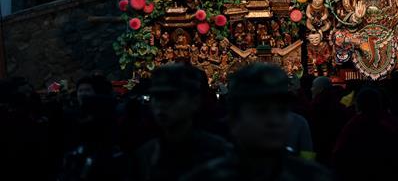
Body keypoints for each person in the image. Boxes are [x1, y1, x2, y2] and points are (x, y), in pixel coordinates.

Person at [183, 63, 331, 181]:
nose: (274, 120)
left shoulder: (312, 176)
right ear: (234, 118)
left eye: (281, 110)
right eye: (261, 111)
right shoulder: (207, 176)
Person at [132, 63, 230, 181]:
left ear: (194, 101)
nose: (161, 105)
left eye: (171, 97)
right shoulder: (144, 155)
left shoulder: (219, 153)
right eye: (157, 97)